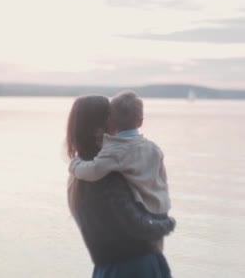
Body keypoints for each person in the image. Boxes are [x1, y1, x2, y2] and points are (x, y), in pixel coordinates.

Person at [66, 95, 175, 278]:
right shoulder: (106, 176)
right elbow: (136, 225)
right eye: (111, 117)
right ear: (98, 130)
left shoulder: (79, 174)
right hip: (134, 267)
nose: (117, 123)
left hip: (108, 267)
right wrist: (167, 224)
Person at [69, 91, 170, 216]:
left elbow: (93, 170)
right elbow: (162, 181)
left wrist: (74, 165)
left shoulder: (114, 153)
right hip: (158, 209)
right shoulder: (154, 149)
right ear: (140, 122)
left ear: (112, 121)